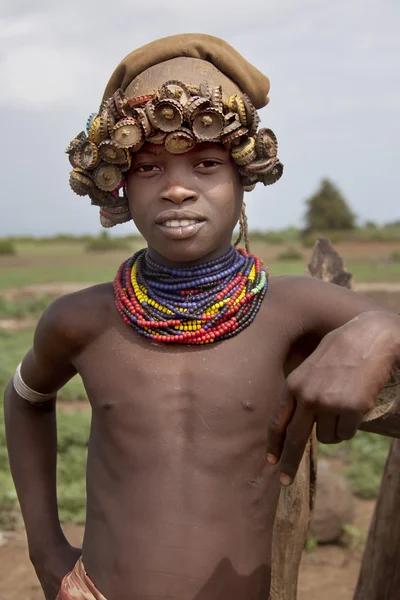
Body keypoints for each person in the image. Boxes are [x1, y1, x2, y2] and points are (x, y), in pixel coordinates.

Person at [3, 33, 400, 600]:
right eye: (148, 168)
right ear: (116, 184)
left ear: (244, 178)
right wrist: (46, 552)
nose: (178, 188)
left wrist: (382, 329)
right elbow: (24, 398)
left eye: (207, 163)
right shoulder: (80, 319)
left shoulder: (292, 307)